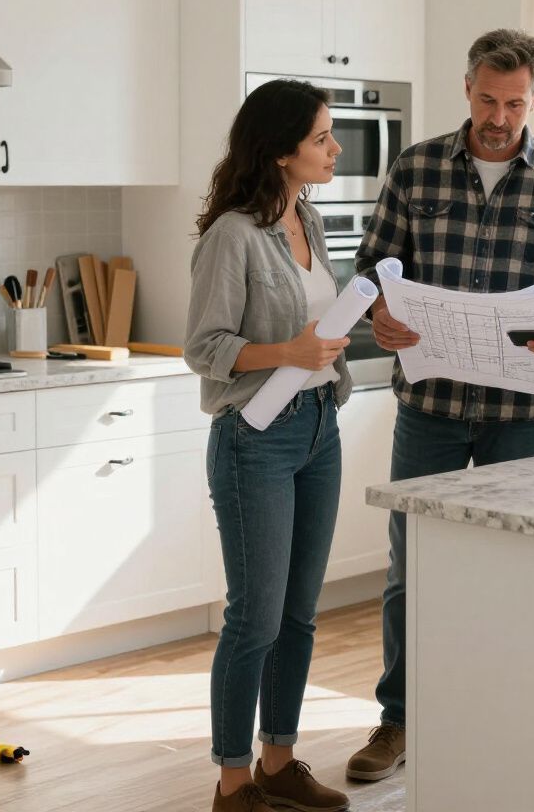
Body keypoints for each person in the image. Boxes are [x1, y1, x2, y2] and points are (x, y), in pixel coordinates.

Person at [346, 28, 534, 782]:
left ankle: (499, 716)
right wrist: (381, 315)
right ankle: (398, 721)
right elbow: (374, 265)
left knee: (506, 568)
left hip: (519, 414)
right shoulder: (416, 167)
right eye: (488, 100)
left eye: (515, 104)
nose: (499, 117)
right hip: (428, 404)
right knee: (411, 567)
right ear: (467, 88)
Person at [184, 78, 352, 812]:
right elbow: (205, 347)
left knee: (298, 613)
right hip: (255, 438)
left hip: (319, 427)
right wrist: (288, 352)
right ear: (282, 152)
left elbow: (318, 327)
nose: (335, 148)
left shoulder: (307, 219)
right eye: (321, 137)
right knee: (254, 618)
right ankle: (233, 783)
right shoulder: (232, 235)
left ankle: (279, 763)